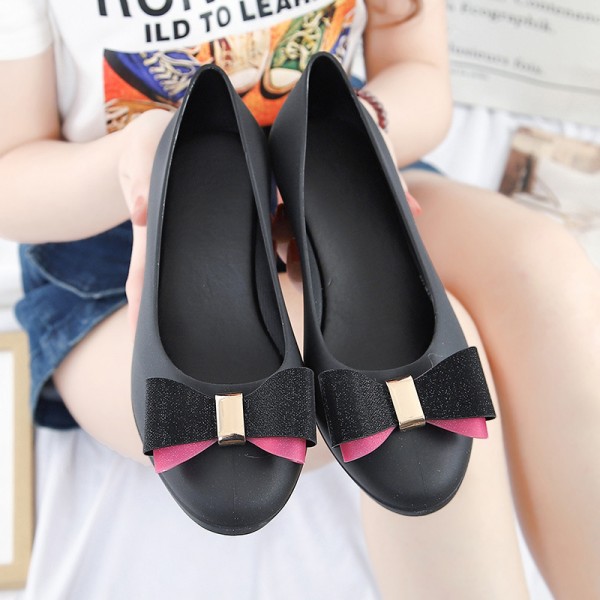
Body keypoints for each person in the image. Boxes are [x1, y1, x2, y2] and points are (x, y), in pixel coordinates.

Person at [0, 0, 598, 597]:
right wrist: (141, 160)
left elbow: (417, 65)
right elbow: (12, 172)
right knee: (432, 403)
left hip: (336, 180)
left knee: (546, 272)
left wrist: (367, 126)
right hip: (120, 237)